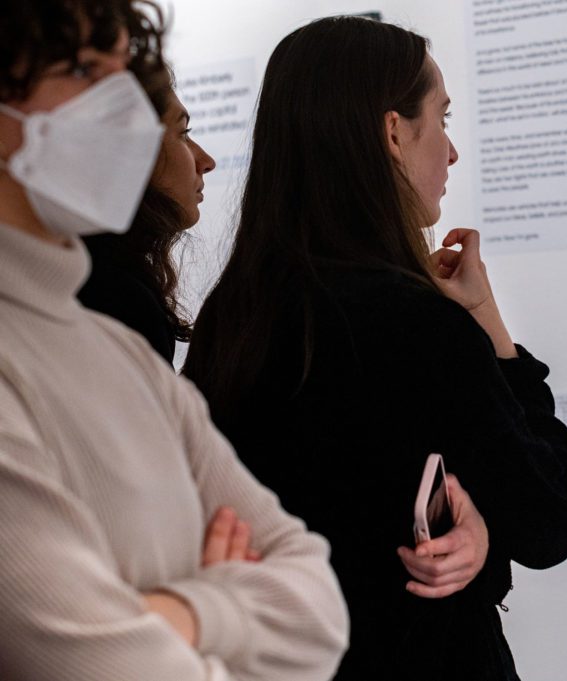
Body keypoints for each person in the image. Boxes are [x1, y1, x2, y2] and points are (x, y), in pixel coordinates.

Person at [183, 16, 567, 680]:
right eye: (443, 119)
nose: (453, 153)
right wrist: (490, 324)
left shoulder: (231, 322)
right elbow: (550, 515)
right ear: (393, 132)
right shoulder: (421, 328)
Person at [0, 2, 349, 679]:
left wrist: (189, 615)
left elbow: (318, 605)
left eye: (122, 70)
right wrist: (231, 607)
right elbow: (94, 663)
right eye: (80, 70)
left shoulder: (121, 353)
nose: (123, 105)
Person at [78, 63, 215, 363]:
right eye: (183, 133)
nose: (206, 161)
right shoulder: (118, 301)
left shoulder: (100, 277)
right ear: (131, 152)